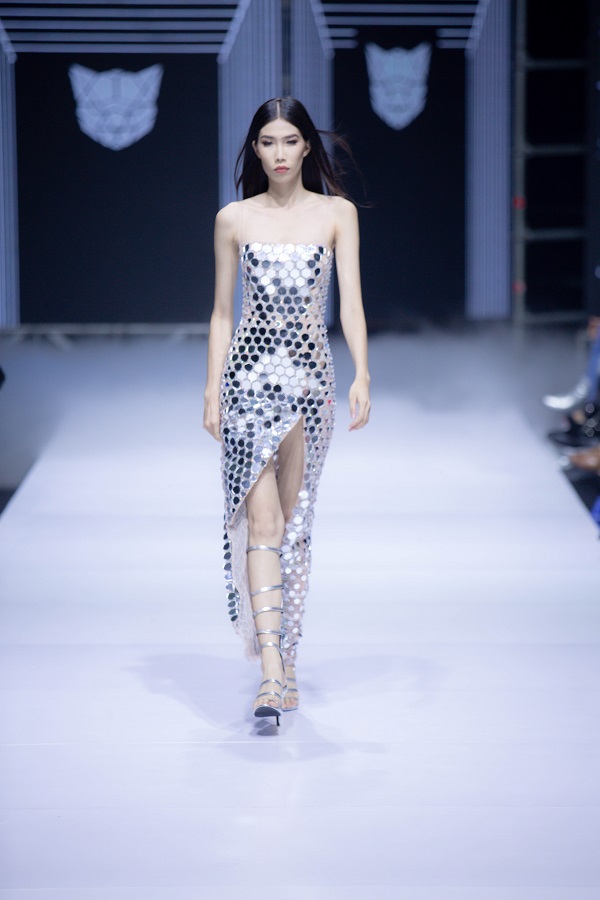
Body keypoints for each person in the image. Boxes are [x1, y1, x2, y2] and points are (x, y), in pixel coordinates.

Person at [203, 97, 370, 726]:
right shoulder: (233, 219)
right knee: (263, 522)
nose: (278, 153)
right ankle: (271, 673)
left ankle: (287, 655)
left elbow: (350, 303)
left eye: (289, 141)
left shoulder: (337, 214)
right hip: (248, 380)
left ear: (306, 147)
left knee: (294, 525)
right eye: (267, 142)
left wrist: (362, 373)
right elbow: (223, 312)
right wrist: (212, 389)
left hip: (309, 383)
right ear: (255, 149)